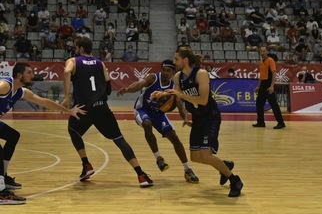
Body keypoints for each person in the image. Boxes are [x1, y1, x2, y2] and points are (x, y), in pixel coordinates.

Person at [60, 37, 153, 188]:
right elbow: (109, 89)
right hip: (101, 108)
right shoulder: (100, 63)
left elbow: (66, 72)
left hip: (83, 108)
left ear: (81, 49)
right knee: (119, 140)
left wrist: (66, 97)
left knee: (73, 131)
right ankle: (141, 175)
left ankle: (86, 165)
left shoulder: (73, 61)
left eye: (77, 48)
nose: (76, 50)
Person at [0, 63, 85, 205]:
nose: (33, 76)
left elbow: (44, 101)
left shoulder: (21, 91)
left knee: (13, 135)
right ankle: (1, 193)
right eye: (29, 72)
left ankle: (3, 176)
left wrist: (68, 111)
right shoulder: (4, 85)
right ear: (19, 75)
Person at [166, 47, 243, 198]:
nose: (174, 62)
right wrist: (161, 95)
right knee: (195, 157)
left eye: (176, 59)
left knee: (206, 155)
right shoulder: (177, 77)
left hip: (210, 117)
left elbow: (203, 100)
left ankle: (235, 180)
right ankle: (224, 165)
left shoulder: (201, 74)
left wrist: (181, 94)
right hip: (197, 118)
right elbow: (177, 98)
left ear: (185, 60)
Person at [117, 60, 199, 183]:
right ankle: (158, 157)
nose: (165, 73)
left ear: (173, 72)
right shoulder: (153, 78)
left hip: (159, 114)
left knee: (174, 138)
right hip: (142, 110)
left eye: (168, 71)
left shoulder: (173, 87)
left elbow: (180, 105)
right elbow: (139, 85)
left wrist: (186, 119)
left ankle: (187, 169)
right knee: (147, 124)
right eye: (163, 70)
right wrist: (127, 89)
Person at [252, 46, 286, 129]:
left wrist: (272, 86)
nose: (262, 53)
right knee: (259, 104)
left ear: (267, 52)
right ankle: (261, 122)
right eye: (261, 51)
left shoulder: (270, 60)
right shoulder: (261, 61)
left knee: (273, 104)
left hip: (268, 84)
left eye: (264, 51)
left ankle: (281, 123)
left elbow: (274, 73)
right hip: (263, 84)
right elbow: (261, 75)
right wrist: (258, 86)